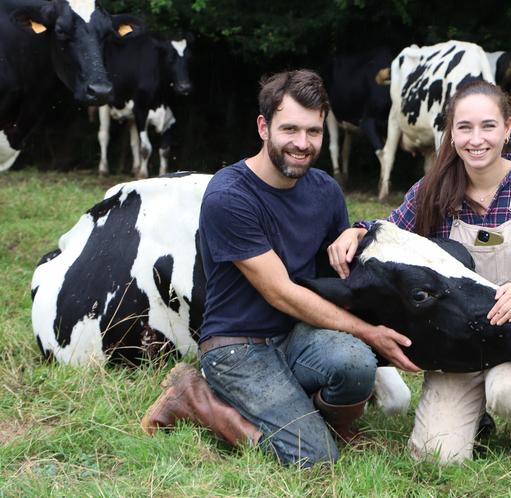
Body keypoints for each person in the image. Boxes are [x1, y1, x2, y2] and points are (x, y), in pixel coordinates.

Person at [140, 69, 419, 467]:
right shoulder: (229, 194)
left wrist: (359, 231)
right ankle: (194, 397)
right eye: (290, 129)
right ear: (263, 126)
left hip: (297, 335)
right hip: (238, 347)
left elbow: (340, 276)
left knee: (357, 363)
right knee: (315, 460)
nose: (302, 144)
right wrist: (369, 332)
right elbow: (279, 291)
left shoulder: (325, 191)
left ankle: (331, 423)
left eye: (314, 132)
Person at [328, 80, 511, 464]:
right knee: (436, 457)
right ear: (450, 132)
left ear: (508, 128)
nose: (475, 139)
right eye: (463, 128)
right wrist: (359, 229)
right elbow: (392, 232)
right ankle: (475, 417)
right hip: (460, 341)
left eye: (488, 126)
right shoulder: (433, 190)